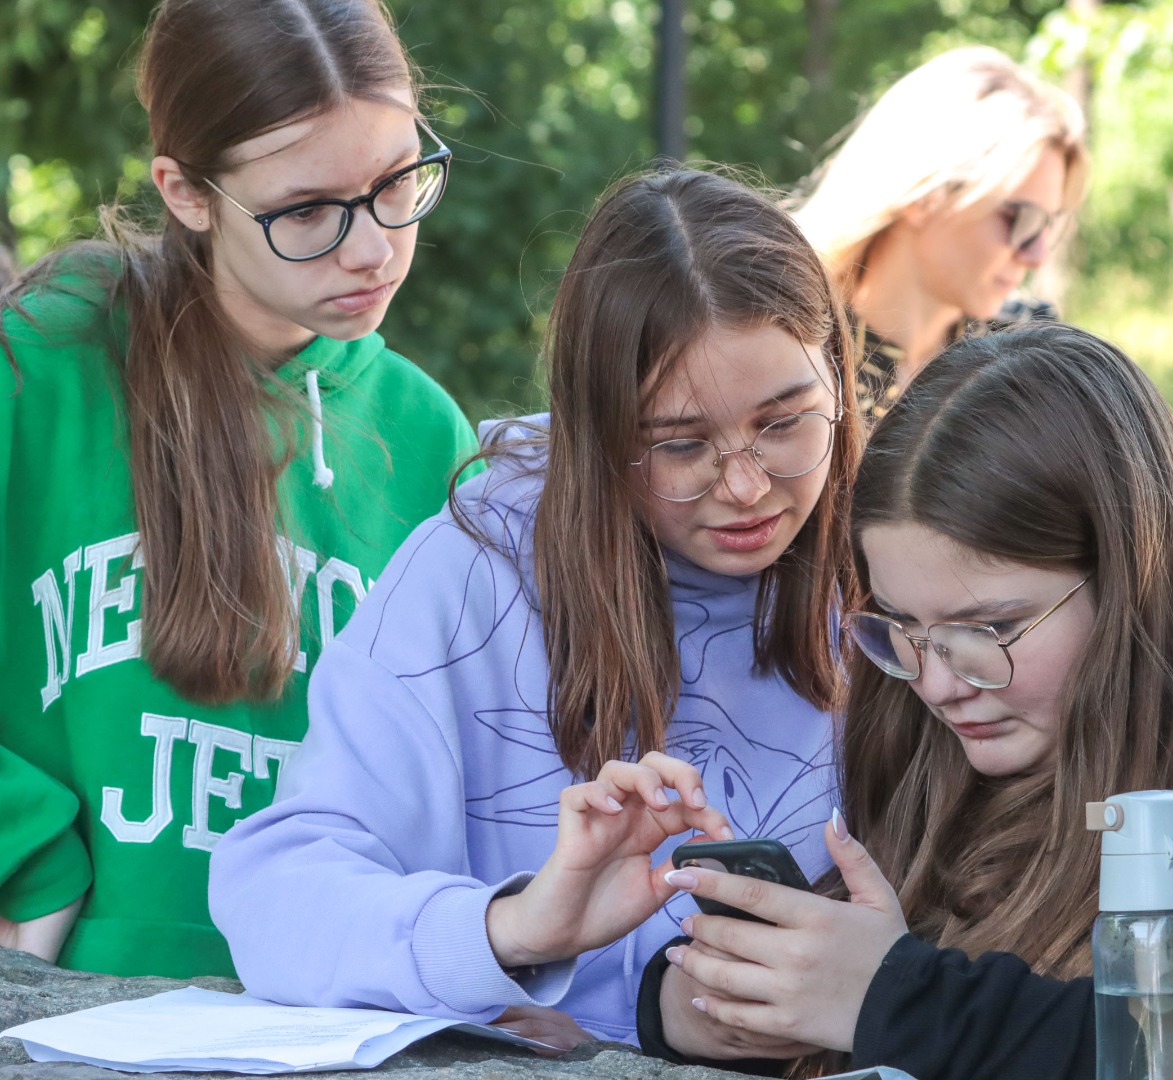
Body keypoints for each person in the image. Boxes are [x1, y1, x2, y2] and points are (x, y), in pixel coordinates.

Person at [209, 167, 860, 1046]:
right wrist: (514, 930)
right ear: (596, 432)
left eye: (785, 424)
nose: (746, 488)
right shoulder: (473, 570)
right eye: (681, 444)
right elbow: (274, 895)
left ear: (839, 383)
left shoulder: (897, 573)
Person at [0, 0, 480, 980]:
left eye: (397, 184)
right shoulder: (46, 358)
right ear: (183, 190)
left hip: (322, 1008)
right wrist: (25, 854)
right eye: (306, 211)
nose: (372, 247)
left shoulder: (427, 437)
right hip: (62, 999)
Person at [636, 321, 1173, 1079]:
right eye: (902, 626)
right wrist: (696, 1008)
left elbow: (1167, 1049)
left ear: (1133, 578)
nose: (937, 684)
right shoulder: (911, 744)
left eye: (992, 628)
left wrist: (892, 1000)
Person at [787, 46, 1088, 421]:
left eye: (1047, 224)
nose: (1037, 254)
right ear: (923, 196)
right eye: (1020, 219)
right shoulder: (793, 353)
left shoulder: (1029, 350)